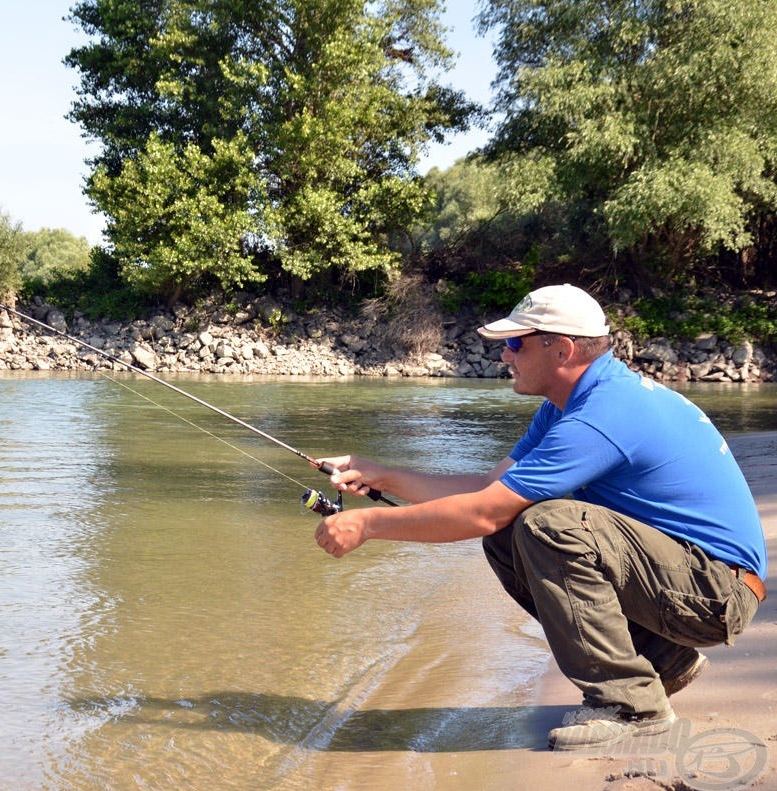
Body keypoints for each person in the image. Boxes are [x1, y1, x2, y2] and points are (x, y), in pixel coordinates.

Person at [312, 284, 767, 752]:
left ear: (563, 349)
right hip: (689, 581)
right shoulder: (568, 406)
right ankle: (662, 660)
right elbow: (490, 490)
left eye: (515, 344)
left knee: (547, 525)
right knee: (511, 531)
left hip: (717, 593)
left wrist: (367, 525)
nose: (505, 357)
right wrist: (385, 475)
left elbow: (484, 511)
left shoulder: (604, 412)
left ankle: (634, 708)